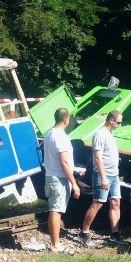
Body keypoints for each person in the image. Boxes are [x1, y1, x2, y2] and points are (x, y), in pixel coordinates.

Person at [80, 110, 127, 247]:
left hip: (114, 174)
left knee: (116, 202)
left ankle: (115, 233)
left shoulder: (109, 134)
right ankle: (84, 232)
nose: (119, 125)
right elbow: (98, 157)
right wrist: (103, 177)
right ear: (111, 120)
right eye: (118, 122)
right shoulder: (100, 134)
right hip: (104, 175)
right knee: (98, 203)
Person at [43, 107, 80, 253]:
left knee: (55, 209)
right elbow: (64, 162)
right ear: (66, 119)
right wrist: (74, 184)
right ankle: (55, 244)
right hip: (59, 177)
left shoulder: (49, 134)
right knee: (56, 210)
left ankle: (54, 243)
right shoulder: (60, 136)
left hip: (51, 175)